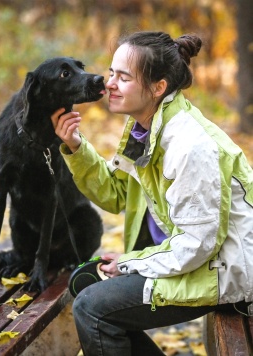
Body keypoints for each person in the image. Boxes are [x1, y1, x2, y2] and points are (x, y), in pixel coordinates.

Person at [51, 31, 253, 355]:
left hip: (225, 272)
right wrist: (75, 145)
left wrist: (133, 262)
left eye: (124, 77)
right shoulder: (145, 127)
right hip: (197, 259)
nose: (110, 84)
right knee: (86, 284)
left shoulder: (189, 146)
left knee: (92, 308)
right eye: (112, 72)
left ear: (158, 87)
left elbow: (196, 244)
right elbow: (118, 193)